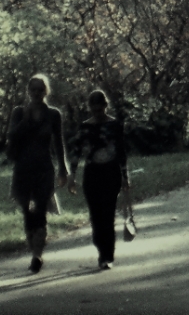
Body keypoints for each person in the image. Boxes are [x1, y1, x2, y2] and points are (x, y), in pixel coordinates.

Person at [7, 74, 69, 273]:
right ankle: (33, 247)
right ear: (28, 91)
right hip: (23, 169)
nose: (36, 93)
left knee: (40, 210)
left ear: (46, 91)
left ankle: (37, 255)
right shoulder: (18, 112)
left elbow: (58, 143)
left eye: (40, 89)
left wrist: (63, 168)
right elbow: (11, 136)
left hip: (44, 169)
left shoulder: (53, 114)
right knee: (27, 212)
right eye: (33, 89)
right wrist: (25, 120)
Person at [67, 90, 130, 270]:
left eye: (100, 108)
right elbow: (76, 152)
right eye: (94, 109)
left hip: (111, 172)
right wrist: (72, 175)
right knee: (96, 217)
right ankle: (100, 247)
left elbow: (121, 152)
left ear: (105, 106)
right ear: (90, 108)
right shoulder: (85, 127)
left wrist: (125, 177)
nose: (97, 112)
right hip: (92, 173)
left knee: (108, 215)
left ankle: (107, 256)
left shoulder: (115, 125)